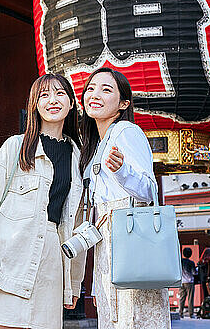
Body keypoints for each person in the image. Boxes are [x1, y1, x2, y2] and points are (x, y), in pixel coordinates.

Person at [0, 74, 86, 329]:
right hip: (9, 257)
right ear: (34, 104)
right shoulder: (16, 147)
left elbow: (77, 225)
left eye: (60, 94)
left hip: (50, 260)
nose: (53, 101)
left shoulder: (77, 159)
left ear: (71, 103)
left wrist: (74, 281)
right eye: (44, 95)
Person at [80, 67, 170, 328]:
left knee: (134, 318)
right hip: (107, 243)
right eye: (91, 88)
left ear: (123, 104)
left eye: (106, 90)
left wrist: (123, 171)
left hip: (130, 237)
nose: (95, 94)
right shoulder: (97, 143)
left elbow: (149, 191)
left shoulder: (127, 131)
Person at [179, 247, 197, 318]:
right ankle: (191, 314)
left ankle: (180, 313)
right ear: (190, 254)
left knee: (182, 298)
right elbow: (194, 272)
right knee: (190, 298)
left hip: (182, 282)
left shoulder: (181, 261)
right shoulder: (191, 263)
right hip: (189, 282)